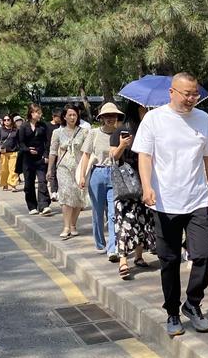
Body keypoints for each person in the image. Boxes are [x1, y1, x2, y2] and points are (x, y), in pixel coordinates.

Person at [132, 72, 208, 336]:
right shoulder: (154, 119)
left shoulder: (203, 119)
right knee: (169, 260)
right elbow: (145, 157)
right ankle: (172, 311)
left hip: (196, 199)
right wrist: (147, 186)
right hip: (165, 201)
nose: (192, 98)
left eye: (196, 93)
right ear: (172, 92)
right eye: (187, 94)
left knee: (205, 253)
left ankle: (192, 304)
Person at [110, 102, 155, 280]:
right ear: (136, 110)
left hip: (144, 183)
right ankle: (123, 261)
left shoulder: (148, 131)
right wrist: (122, 145)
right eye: (144, 108)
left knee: (143, 221)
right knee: (125, 223)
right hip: (127, 186)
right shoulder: (121, 131)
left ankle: (138, 256)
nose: (147, 111)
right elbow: (113, 156)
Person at [79, 102, 123, 261]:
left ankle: (113, 248)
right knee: (97, 212)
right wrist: (83, 175)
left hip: (115, 173)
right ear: (102, 118)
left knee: (113, 213)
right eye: (107, 116)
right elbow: (85, 155)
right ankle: (99, 243)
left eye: (113, 116)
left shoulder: (120, 133)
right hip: (97, 173)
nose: (110, 119)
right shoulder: (94, 133)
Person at [47, 104, 89, 239]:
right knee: (65, 196)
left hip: (79, 168)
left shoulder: (84, 132)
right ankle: (66, 226)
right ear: (64, 116)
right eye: (69, 115)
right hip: (63, 168)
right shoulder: (57, 133)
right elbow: (53, 152)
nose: (72, 117)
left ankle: (73, 224)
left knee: (78, 196)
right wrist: (50, 170)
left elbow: (87, 152)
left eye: (74, 115)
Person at [18, 104, 51, 215]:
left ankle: (44, 205)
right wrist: (27, 150)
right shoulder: (23, 127)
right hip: (27, 160)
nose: (40, 115)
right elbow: (20, 143)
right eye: (38, 112)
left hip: (40, 158)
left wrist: (46, 155)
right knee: (29, 183)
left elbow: (47, 142)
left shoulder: (43, 126)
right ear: (32, 113)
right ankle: (32, 206)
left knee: (42, 181)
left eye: (40, 113)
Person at [0, 114, 19, 191]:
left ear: (11, 120)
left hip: (13, 152)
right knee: (4, 170)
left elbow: (18, 141)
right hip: (3, 153)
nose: (6, 121)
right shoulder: (0, 130)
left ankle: (13, 185)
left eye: (8, 120)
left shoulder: (15, 130)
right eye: (5, 120)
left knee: (13, 169)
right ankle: (4, 184)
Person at [46, 108, 62, 201]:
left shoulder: (62, 127)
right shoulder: (47, 126)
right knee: (52, 172)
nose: (60, 119)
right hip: (51, 151)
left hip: (60, 153)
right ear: (53, 116)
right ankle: (53, 191)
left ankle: (59, 191)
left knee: (59, 172)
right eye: (58, 117)